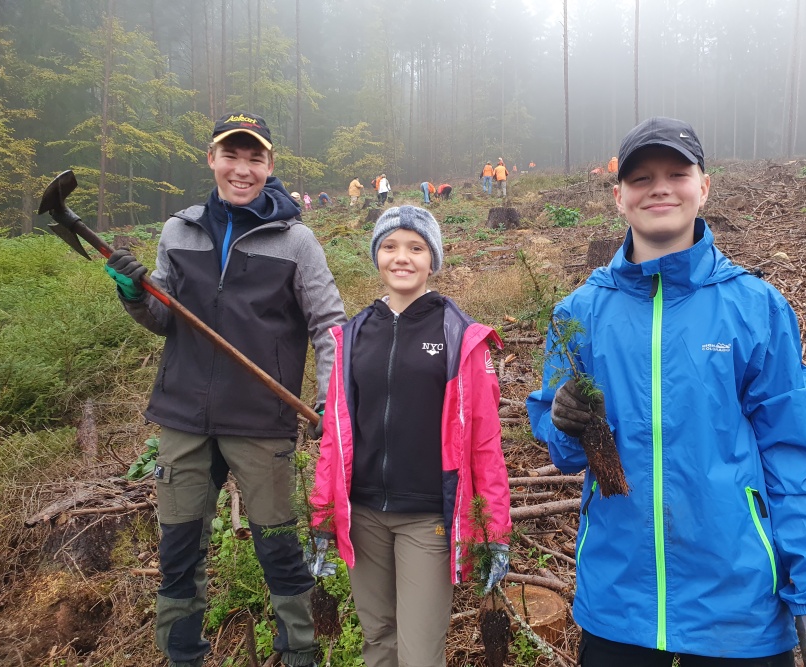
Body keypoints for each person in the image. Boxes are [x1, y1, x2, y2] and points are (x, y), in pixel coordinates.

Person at [526, 117, 806, 667]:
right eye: (641, 178)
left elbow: (794, 454)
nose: (660, 188)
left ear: (703, 188)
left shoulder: (755, 308)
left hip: (736, 608)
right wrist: (562, 421)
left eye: (677, 174)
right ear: (619, 197)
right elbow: (566, 454)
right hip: (618, 604)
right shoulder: (579, 313)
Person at [104, 111, 347, 667]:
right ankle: (182, 657)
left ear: (269, 165)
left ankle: (299, 654)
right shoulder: (179, 230)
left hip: (261, 419)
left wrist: (330, 398)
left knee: (278, 549)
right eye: (231, 155)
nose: (242, 169)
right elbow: (164, 318)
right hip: (184, 418)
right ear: (212, 158)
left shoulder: (296, 240)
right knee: (178, 552)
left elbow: (329, 325)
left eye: (254, 158)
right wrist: (135, 295)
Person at [308, 205, 512, 667]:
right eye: (390, 246)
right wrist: (323, 516)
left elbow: (485, 442)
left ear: (432, 259)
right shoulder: (353, 334)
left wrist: (494, 529)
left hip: (427, 518)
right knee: (378, 640)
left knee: (419, 653)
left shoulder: (460, 336)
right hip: (363, 515)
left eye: (416, 247)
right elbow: (335, 437)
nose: (402, 257)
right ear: (376, 256)